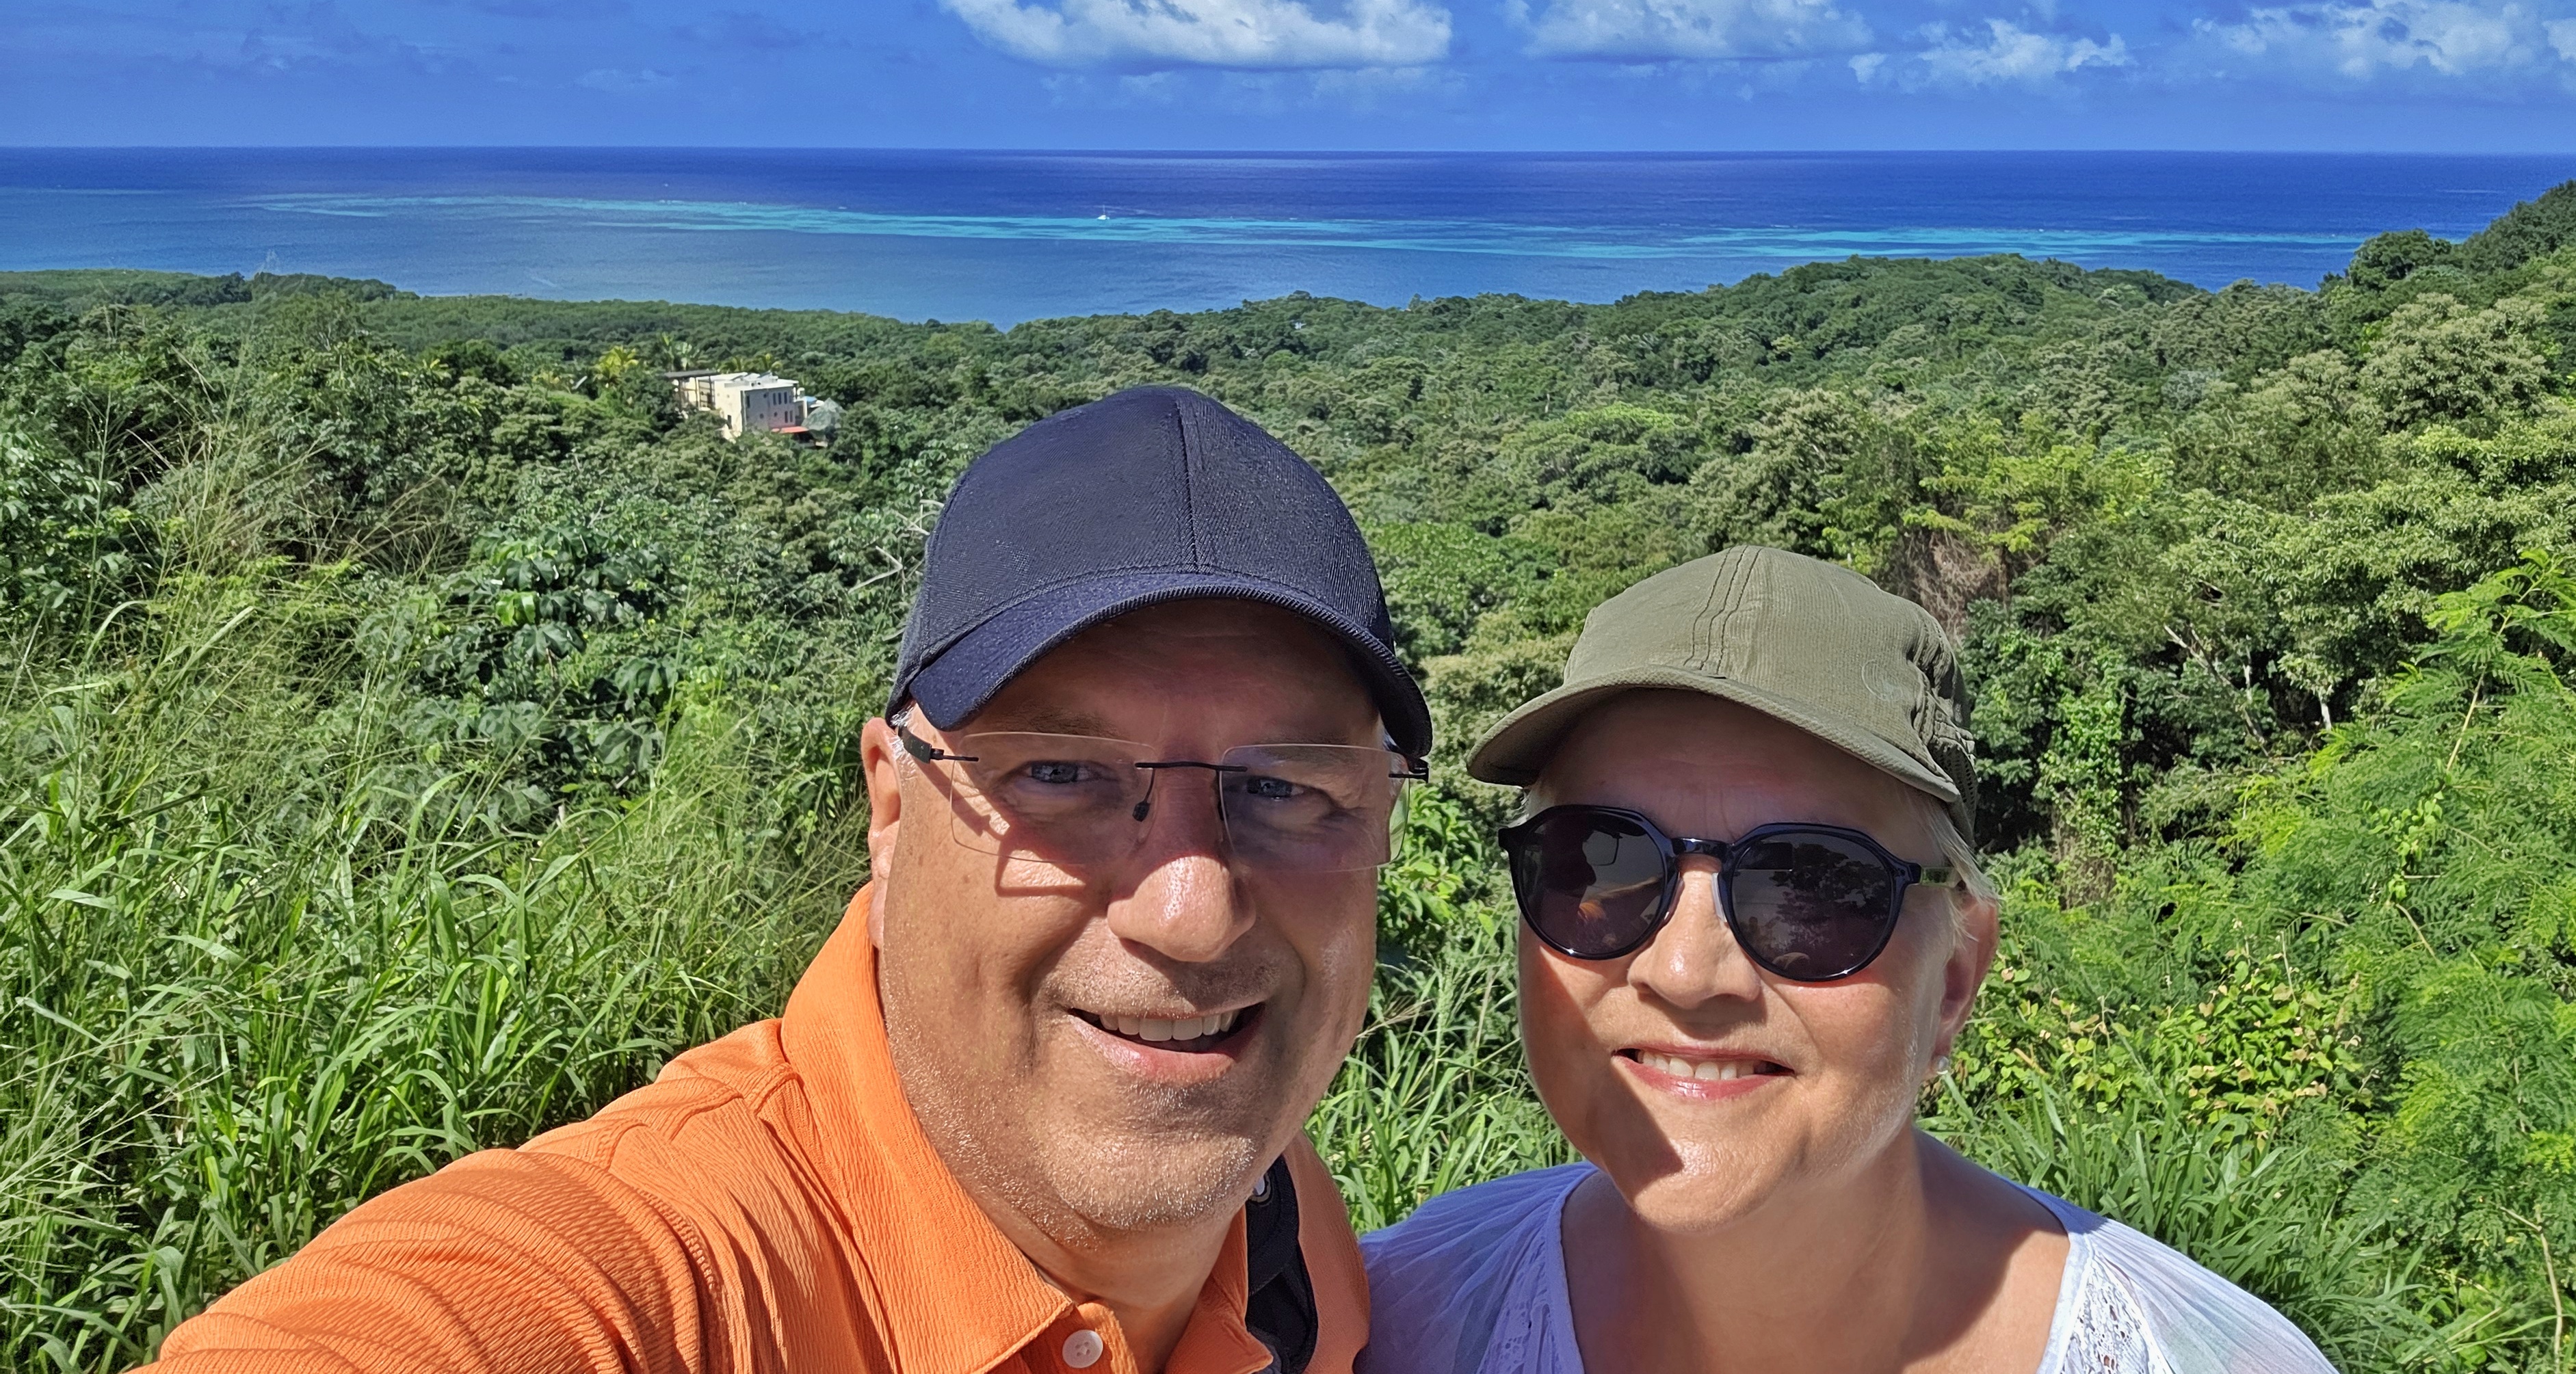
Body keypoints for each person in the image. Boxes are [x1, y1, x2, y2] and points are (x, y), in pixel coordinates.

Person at [159, 385, 1432, 1374]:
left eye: (1286, 787)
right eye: (1060, 772)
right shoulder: (670, 1274)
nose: (1193, 911)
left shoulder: (1279, 1212)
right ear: (891, 806)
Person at [1361, 546, 2332, 1374]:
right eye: (1600, 860)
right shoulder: (1383, 1322)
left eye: (1811, 884)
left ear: (1954, 978)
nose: (1686, 972)